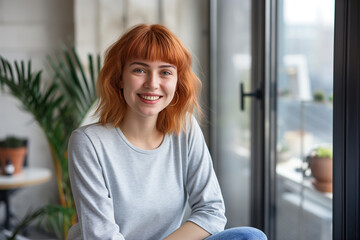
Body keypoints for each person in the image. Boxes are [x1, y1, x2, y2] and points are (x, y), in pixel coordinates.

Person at [67, 24, 267, 240]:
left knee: (250, 237)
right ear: (119, 78)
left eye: (165, 72)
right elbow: (101, 236)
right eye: (139, 70)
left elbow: (212, 211)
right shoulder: (88, 142)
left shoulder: (186, 129)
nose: (152, 83)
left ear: (177, 82)